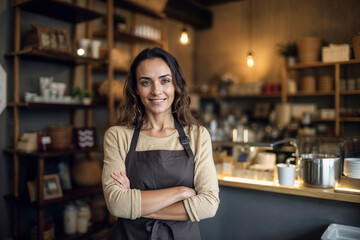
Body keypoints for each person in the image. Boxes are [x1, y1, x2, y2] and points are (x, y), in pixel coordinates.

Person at [102, 47, 219, 240]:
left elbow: (208, 205)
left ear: (176, 85)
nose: (156, 91)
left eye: (165, 80)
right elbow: (116, 205)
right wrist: (180, 192)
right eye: (146, 82)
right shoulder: (117, 136)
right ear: (136, 89)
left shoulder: (198, 136)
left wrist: (136, 205)